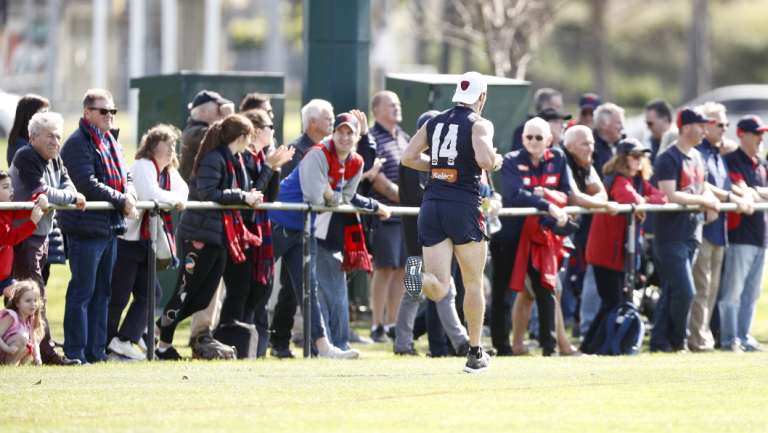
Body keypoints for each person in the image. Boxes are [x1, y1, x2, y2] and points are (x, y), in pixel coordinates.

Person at [402, 71, 503, 373]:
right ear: (481, 97)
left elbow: (408, 157)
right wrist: (496, 160)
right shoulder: (480, 123)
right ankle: (474, 353)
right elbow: (485, 161)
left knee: (440, 285)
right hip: (464, 205)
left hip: (432, 204)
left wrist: (435, 167)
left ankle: (416, 278)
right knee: (472, 283)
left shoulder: (434, 122)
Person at [155, 114, 262, 360]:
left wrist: (247, 195)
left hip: (219, 236)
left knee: (202, 296)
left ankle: (160, 326)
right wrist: (241, 196)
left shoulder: (235, 160)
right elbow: (208, 192)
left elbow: (237, 192)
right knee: (184, 292)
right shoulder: (214, 159)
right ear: (241, 137)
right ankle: (163, 346)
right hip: (198, 235)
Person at [650, 107, 741, 352]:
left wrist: (712, 198)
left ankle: (661, 341)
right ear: (687, 127)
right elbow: (671, 194)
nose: (704, 130)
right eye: (701, 125)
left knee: (672, 290)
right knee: (686, 290)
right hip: (671, 237)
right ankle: (679, 341)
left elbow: (701, 187)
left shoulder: (696, 157)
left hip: (692, 233)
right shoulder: (668, 158)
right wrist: (704, 202)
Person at [60, 88, 136, 364]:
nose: (109, 116)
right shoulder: (78, 143)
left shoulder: (110, 141)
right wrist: (121, 200)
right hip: (85, 230)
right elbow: (85, 182)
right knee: (82, 292)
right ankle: (76, 352)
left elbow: (125, 175)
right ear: (87, 113)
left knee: (103, 293)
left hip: (108, 229)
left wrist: (130, 195)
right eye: (104, 111)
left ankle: (95, 351)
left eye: (112, 111)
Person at [106, 124, 188, 361]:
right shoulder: (143, 165)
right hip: (127, 240)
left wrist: (172, 199)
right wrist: (172, 200)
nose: (172, 149)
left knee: (152, 293)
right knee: (119, 297)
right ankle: (106, 344)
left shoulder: (168, 171)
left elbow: (184, 192)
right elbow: (150, 194)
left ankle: (123, 340)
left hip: (145, 242)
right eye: (167, 144)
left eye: (174, 144)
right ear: (153, 146)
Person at [9, 111, 85, 366]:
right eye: (50, 136)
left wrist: (70, 195)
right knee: (30, 297)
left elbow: (68, 185)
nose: (55, 142)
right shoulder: (27, 156)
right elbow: (42, 192)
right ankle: (42, 353)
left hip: (40, 236)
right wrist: (71, 198)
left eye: (58, 136)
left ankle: (29, 352)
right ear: (33, 138)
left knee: (33, 296)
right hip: (23, 237)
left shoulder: (55, 158)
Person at [216, 109, 293, 358]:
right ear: (258, 130)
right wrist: (270, 167)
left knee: (258, 291)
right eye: (271, 126)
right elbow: (251, 197)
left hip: (258, 232)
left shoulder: (261, 158)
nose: (274, 131)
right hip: (242, 232)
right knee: (240, 292)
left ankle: (250, 347)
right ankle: (233, 342)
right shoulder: (245, 158)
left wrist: (274, 168)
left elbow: (269, 197)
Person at [393, 110, 470, 357]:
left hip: (436, 238)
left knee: (445, 291)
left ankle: (460, 342)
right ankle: (404, 344)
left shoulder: (440, 160)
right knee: (413, 292)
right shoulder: (411, 161)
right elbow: (419, 196)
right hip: (418, 238)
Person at [581, 138, 667, 352]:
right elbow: (626, 197)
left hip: (620, 254)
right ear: (623, 159)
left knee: (613, 302)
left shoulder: (637, 180)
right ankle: (591, 347)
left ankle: (592, 347)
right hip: (605, 252)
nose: (640, 161)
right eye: (635, 156)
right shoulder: (616, 179)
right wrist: (641, 200)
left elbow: (661, 197)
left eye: (642, 157)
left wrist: (642, 200)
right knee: (612, 302)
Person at [177, 90, 235, 356]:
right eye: (217, 107)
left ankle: (201, 334)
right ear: (202, 111)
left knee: (211, 284)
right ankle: (188, 335)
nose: (222, 111)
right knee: (196, 283)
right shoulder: (196, 134)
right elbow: (225, 141)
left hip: (210, 219)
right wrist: (231, 120)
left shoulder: (204, 132)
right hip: (200, 218)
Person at [688, 102, 737, 352]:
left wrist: (738, 194)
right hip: (704, 229)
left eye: (726, 124)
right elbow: (705, 185)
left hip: (720, 230)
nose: (724, 129)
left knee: (713, 288)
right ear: (706, 126)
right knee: (702, 287)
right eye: (720, 124)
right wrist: (731, 198)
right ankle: (697, 337)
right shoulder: (701, 153)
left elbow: (726, 187)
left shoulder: (718, 153)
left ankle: (704, 334)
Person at [718, 115, 768, 352]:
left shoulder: (761, 164)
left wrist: (756, 191)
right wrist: (757, 192)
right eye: (756, 133)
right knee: (733, 292)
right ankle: (730, 339)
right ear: (741, 134)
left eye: (762, 133)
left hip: (761, 235)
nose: (761, 138)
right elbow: (741, 190)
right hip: (740, 235)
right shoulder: (731, 160)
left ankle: (744, 336)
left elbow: (753, 192)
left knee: (752, 292)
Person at [367, 90, 409, 342]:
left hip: (406, 217)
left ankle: (394, 322)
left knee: (404, 269)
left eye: (398, 103)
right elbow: (377, 179)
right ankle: (377, 325)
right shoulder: (372, 139)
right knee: (384, 268)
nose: (397, 107)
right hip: (385, 215)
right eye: (391, 104)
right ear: (377, 110)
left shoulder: (403, 137)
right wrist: (399, 195)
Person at [0, 280, 45, 365]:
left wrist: (38, 358)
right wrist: (7, 348)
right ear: (17, 303)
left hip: (10, 351)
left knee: (29, 344)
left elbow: (34, 341)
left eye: (35, 300)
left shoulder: (30, 320)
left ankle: (12, 366)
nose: (33, 304)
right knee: (22, 340)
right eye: (28, 301)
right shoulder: (11, 316)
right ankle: (8, 364)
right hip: (5, 349)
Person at [6, 94, 50, 166]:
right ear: (30, 115)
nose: (47, 116)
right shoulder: (21, 146)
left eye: (47, 111)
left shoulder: (32, 140)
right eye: (43, 111)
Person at [592, 103, 625, 178]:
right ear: (604, 125)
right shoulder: (591, 149)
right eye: (619, 123)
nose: (622, 127)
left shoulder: (624, 144)